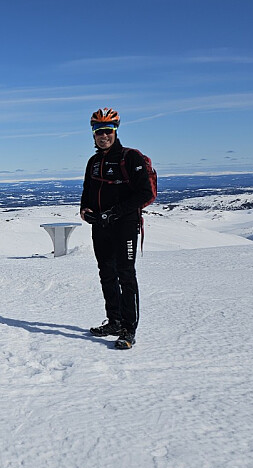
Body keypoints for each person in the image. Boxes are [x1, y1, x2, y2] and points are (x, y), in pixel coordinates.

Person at [79, 108, 153, 349]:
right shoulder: (94, 161)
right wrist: (85, 209)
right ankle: (114, 320)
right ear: (93, 133)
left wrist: (116, 212)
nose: (103, 136)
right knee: (107, 274)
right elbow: (87, 192)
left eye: (108, 131)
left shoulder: (130, 158)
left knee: (126, 275)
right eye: (99, 131)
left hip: (124, 227)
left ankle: (128, 330)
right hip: (101, 227)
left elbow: (146, 193)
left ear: (115, 130)